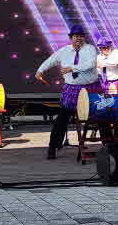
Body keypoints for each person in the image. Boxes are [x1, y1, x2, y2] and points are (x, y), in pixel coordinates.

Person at [36, 25, 102, 159]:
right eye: (76, 36)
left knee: (101, 116)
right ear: (71, 38)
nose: (79, 38)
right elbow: (51, 60)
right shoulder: (64, 51)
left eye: (81, 36)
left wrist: (72, 68)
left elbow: (90, 64)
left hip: (91, 89)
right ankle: (53, 147)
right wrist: (40, 70)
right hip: (72, 90)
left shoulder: (90, 49)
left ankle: (110, 146)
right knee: (61, 119)